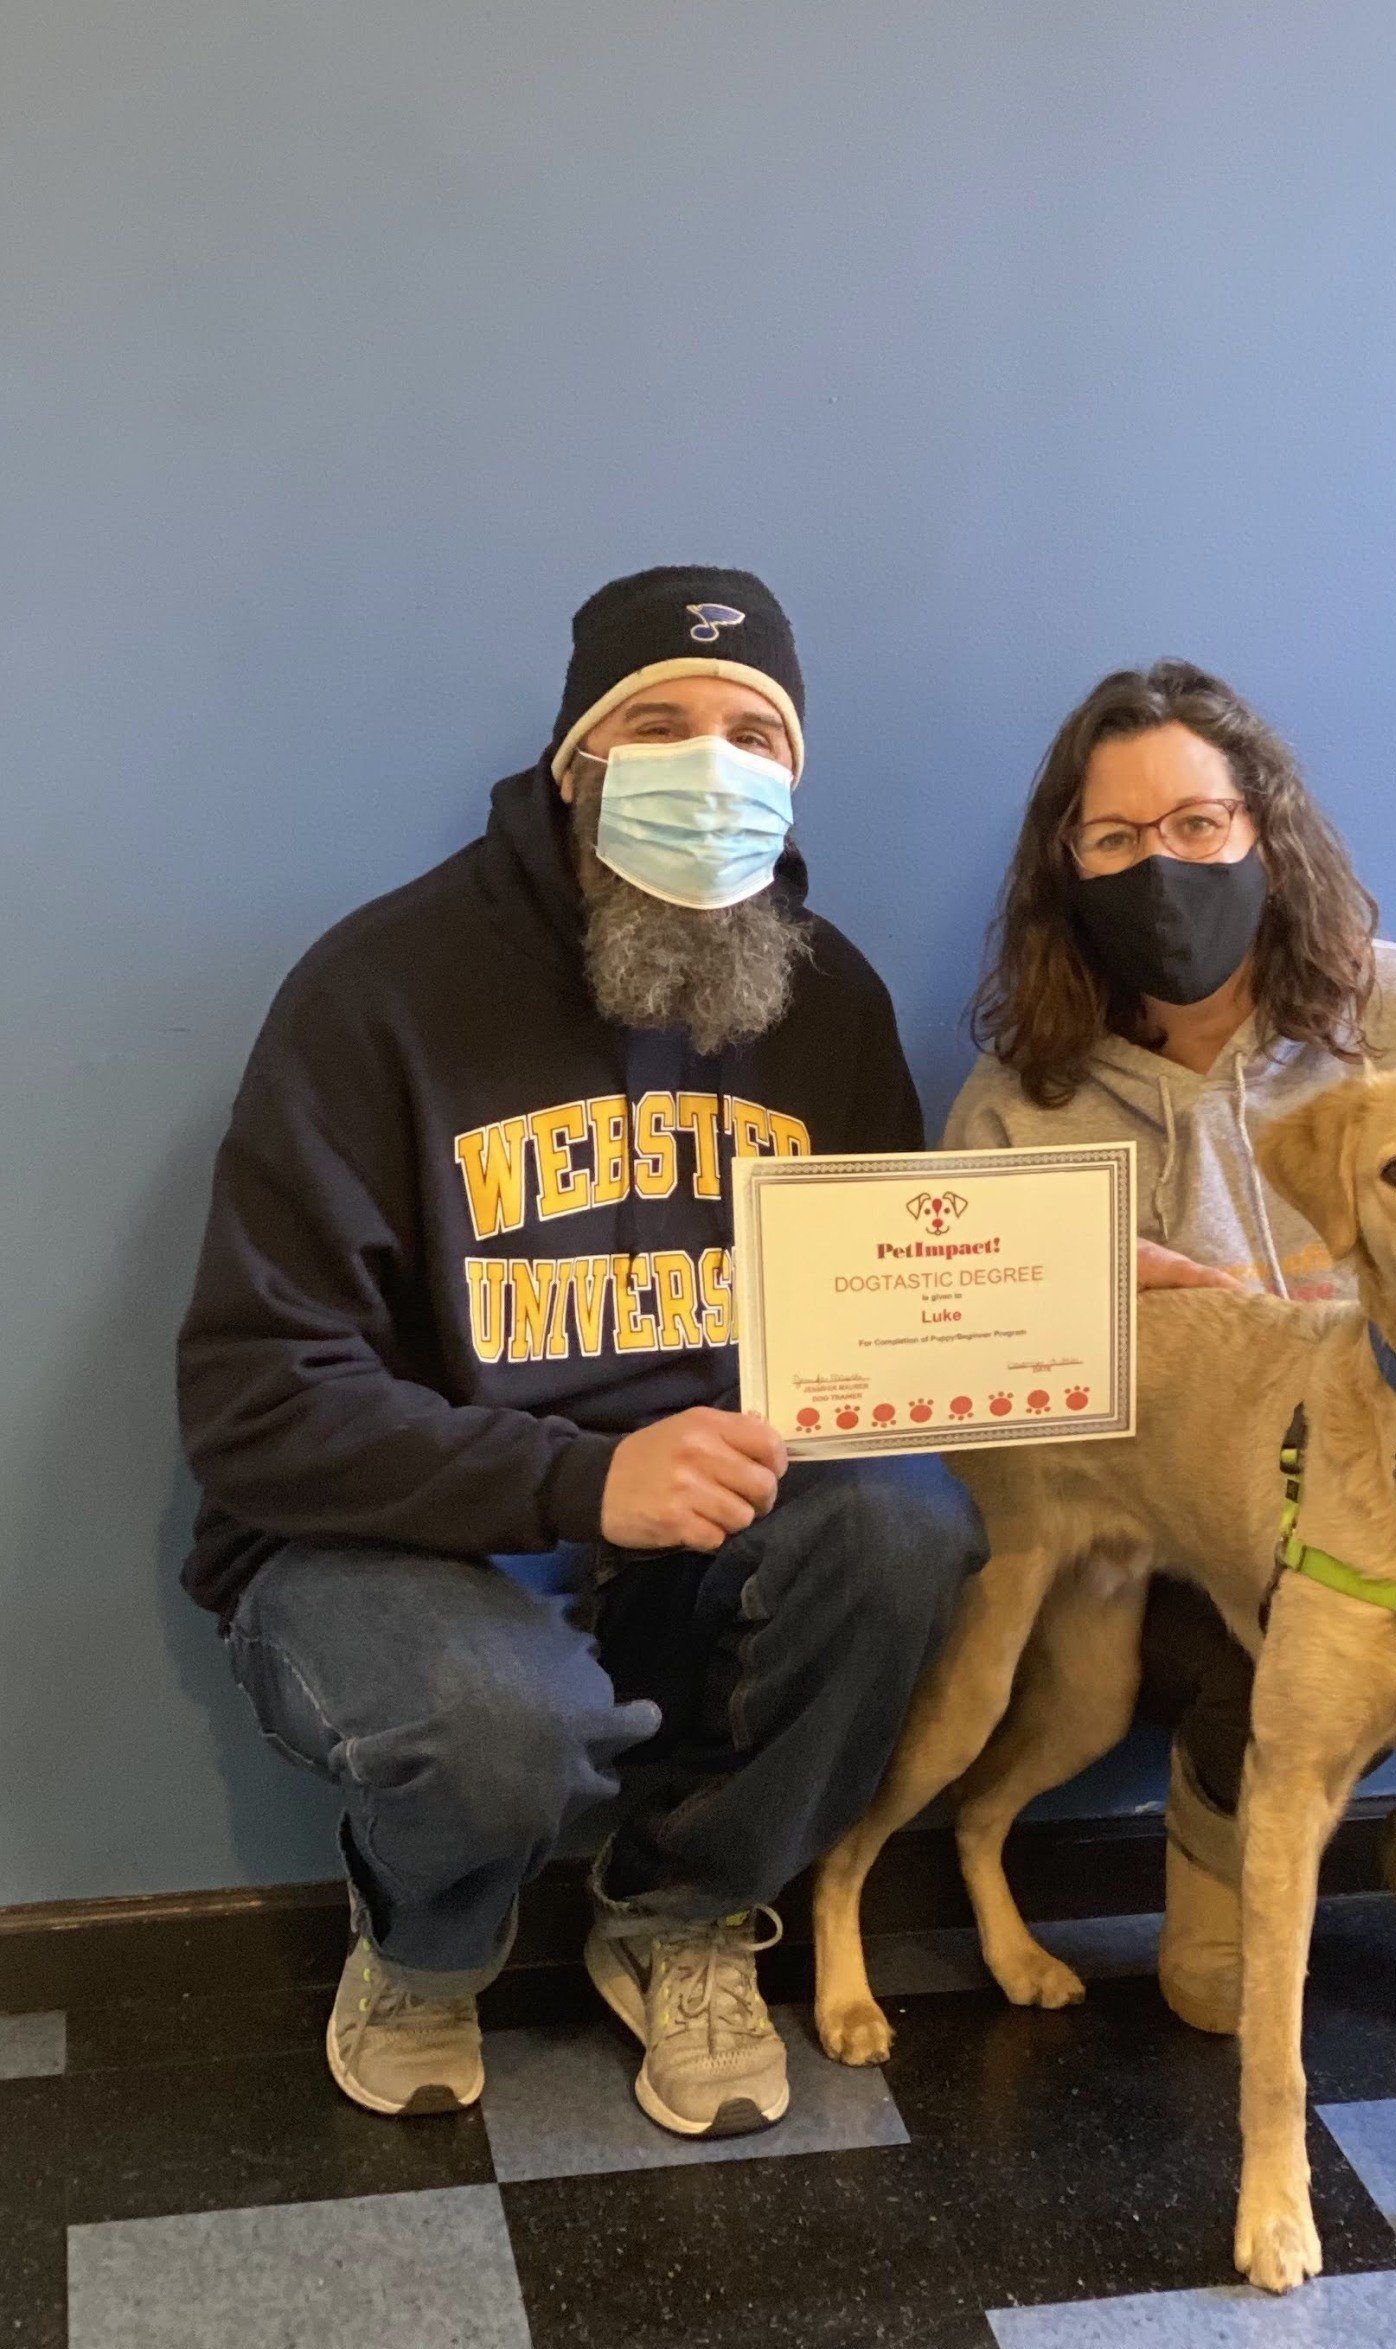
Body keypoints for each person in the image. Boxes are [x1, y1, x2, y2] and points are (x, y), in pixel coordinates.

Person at [177, 566, 983, 2136]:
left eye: (755, 730)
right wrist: (577, 1476)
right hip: (389, 1542)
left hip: (706, 1537)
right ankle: (423, 1945)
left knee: (910, 1529)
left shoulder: (831, 1007)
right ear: (573, 766)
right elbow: (254, 1398)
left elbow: (887, 1324)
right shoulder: (380, 992)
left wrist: (1073, 1296)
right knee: (497, 1722)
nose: (712, 763)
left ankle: (680, 1912)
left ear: (797, 773)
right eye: (658, 726)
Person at [946, 660, 1396, 2037]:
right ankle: (1219, 1843)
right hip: (1216, 1536)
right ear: (1064, 869)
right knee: (1255, 1664)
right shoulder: (1022, 1099)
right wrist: (1077, 1281)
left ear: (1265, 830)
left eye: (1200, 823)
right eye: (1117, 838)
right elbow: (961, 1340)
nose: (1166, 866)